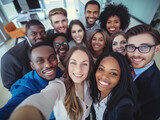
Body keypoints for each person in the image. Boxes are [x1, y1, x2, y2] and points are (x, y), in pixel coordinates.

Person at [9, 46, 94, 120]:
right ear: (67, 65)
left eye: (84, 64)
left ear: (90, 67)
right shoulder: (59, 85)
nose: (78, 69)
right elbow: (44, 98)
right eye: (73, 63)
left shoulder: (89, 83)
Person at [0, 42, 63, 120]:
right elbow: (10, 109)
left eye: (52, 58)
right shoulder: (26, 87)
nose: (48, 65)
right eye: (40, 61)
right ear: (32, 65)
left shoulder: (58, 71)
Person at [89, 52, 139, 120]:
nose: (104, 76)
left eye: (113, 73)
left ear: (121, 77)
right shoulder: (93, 91)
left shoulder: (124, 105)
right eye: (101, 69)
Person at [125, 24, 160, 120]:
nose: (136, 54)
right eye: (131, 47)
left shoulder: (157, 92)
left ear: (156, 49)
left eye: (144, 47)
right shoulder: (124, 62)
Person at [1, 19, 47, 90]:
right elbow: (9, 84)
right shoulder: (11, 57)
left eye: (42, 32)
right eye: (34, 34)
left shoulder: (45, 42)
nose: (39, 36)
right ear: (26, 35)